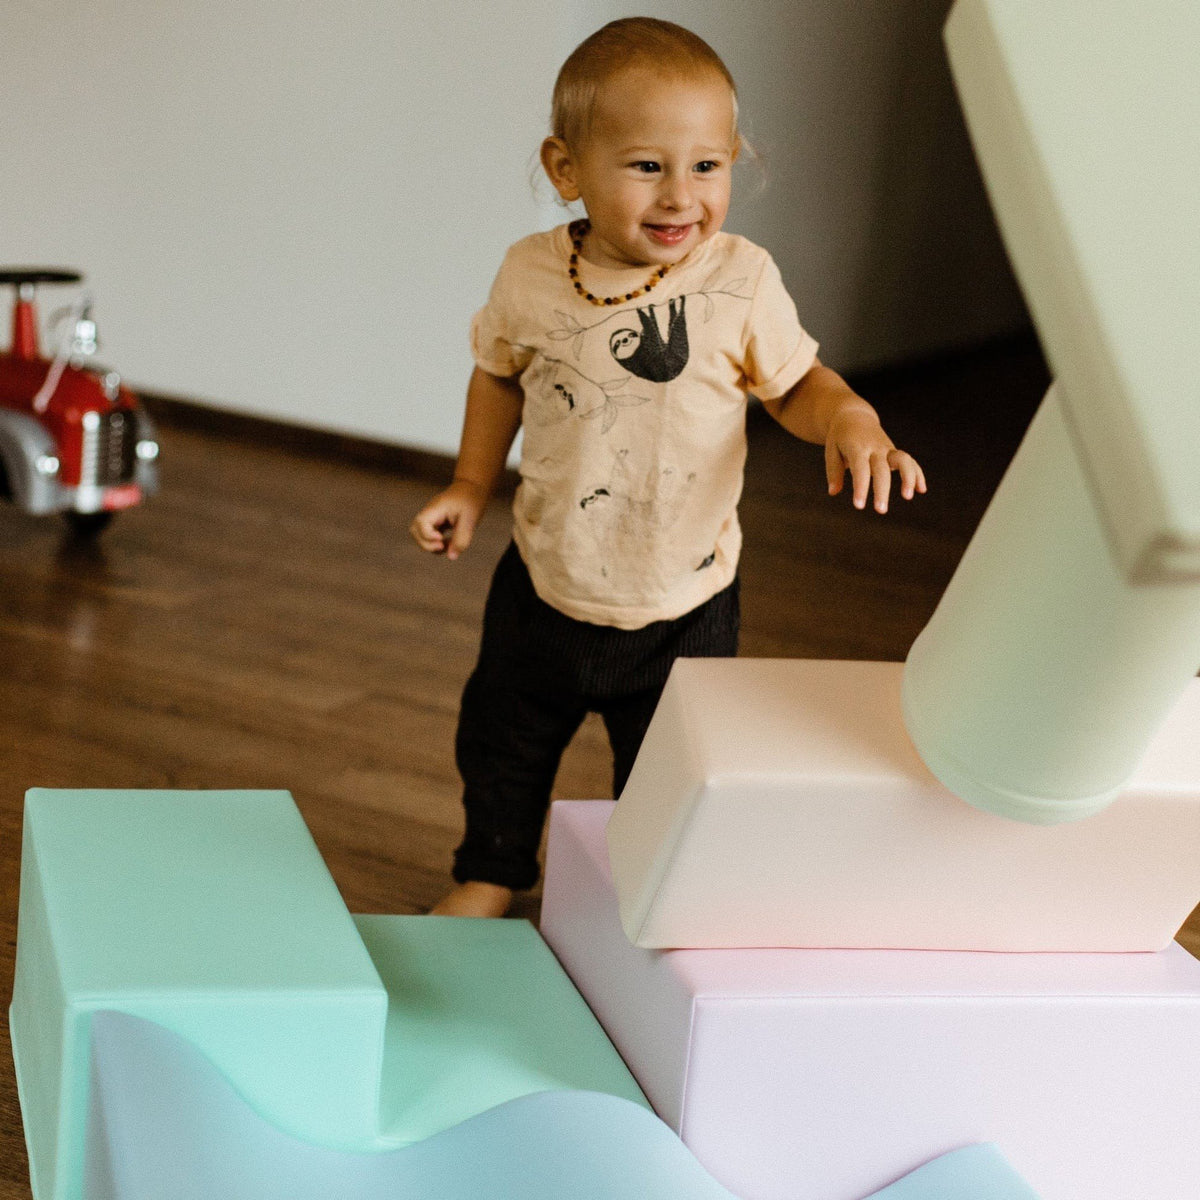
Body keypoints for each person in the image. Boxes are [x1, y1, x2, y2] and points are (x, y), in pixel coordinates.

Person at [410, 17, 926, 917]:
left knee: (664, 769)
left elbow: (794, 383)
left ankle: (636, 893)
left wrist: (847, 413)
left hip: (684, 596)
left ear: (734, 161)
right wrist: (467, 484)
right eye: (647, 165)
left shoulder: (740, 280)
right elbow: (496, 376)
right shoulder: (530, 275)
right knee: (502, 738)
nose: (680, 194)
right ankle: (489, 871)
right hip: (544, 578)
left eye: (708, 166)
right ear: (566, 169)